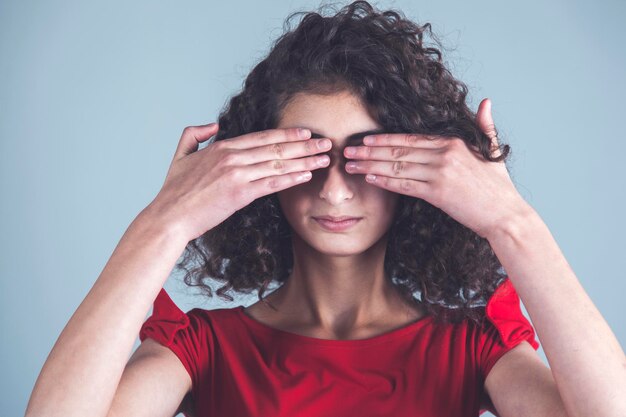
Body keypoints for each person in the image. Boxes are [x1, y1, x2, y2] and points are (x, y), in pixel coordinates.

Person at [25, 1, 626, 417]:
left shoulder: (470, 346)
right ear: (260, 169)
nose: (335, 192)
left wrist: (510, 221)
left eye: (364, 157)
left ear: (414, 173)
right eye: (308, 157)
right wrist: (165, 220)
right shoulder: (203, 348)